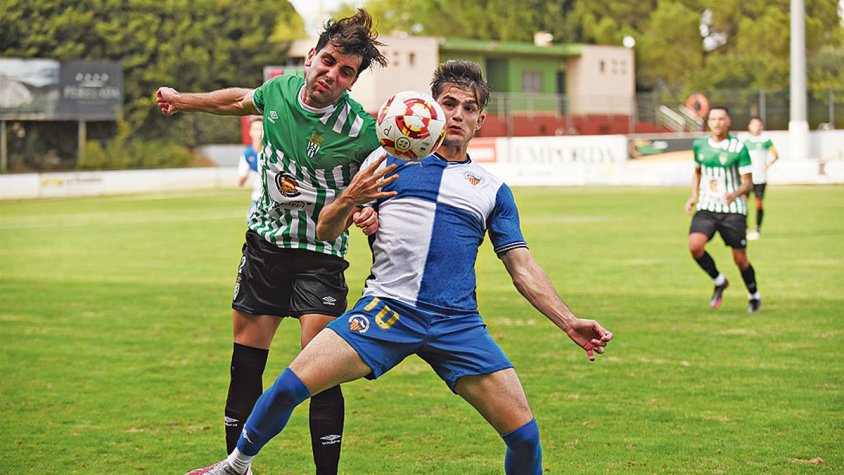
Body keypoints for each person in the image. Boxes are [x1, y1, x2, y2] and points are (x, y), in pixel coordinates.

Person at [186, 60, 613, 475]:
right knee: (287, 387)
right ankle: (236, 467)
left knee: (524, 436)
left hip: (457, 324)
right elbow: (326, 227)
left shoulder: (492, 190)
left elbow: (522, 266)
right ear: (430, 108)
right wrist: (354, 202)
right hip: (386, 312)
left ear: (481, 119)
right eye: (449, 103)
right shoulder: (386, 163)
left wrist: (568, 320)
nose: (458, 115)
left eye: (469, 108)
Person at [157, 9, 387, 475]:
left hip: (321, 255)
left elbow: (381, 188)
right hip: (265, 246)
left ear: (353, 82)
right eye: (328, 61)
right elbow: (238, 101)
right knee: (245, 368)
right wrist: (183, 100)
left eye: (346, 72)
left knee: (320, 370)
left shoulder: (362, 131)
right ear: (311, 57)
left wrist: (368, 211)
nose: (331, 74)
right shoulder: (280, 90)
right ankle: (236, 470)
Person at [684, 106, 762, 313]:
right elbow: (698, 172)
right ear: (708, 122)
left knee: (740, 259)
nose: (717, 123)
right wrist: (694, 196)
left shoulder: (738, 148)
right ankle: (719, 281)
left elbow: (748, 183)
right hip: (707, 207)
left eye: (721, 119)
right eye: (713, 119)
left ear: (728, 122)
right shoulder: (699, 145)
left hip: (733, 210)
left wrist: (734, 194)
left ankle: (754, 295)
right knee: (695, 246)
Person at [742, 116, 779, 240]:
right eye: (753, 124)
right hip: (747, 177)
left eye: (758, 125)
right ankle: (745, 228)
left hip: (760, 177)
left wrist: (767, 165)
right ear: (749, 126)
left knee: (758, 204)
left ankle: (757, 229)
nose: (756, 127)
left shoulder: (765, 140)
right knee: (743, 204)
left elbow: (775, 155)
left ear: (761, 126)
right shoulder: (745, 141)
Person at [236, 116, 263, 222]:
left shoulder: (272, 151)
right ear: (250, 132)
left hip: (273, 201)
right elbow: (241, 178)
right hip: (257, 198)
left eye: (262, 130)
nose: (259, 134)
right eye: (256, 130)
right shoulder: (248, 154)